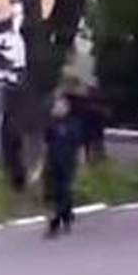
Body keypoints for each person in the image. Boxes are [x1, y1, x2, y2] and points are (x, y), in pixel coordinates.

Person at [44, 94, 82, 237]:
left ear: (66, 108)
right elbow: (46, 144)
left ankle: (55, 222)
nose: (57, 109)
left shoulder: (73, 124)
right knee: (55, 193)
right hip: (53, 163)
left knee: (65, 192)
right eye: (55, 107)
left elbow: (78, 145)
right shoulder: (51, 125)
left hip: (68, 163)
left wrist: (79, 160)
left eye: (60, 107)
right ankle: (66, 216)